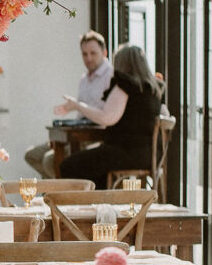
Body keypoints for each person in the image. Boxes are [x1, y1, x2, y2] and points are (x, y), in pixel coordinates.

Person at [56, 43, 162, 187]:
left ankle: (86, 205)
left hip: (125, 152)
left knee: (68, 166)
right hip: (150, 155)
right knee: (97, 166)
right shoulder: (153, 89)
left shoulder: (125, 85)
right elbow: (164, 115)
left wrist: (77, 105)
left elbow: (107, 118)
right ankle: (102, 202)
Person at [25, 30, 113, 178]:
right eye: (84, 54)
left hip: (95, 137)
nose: (89, 58)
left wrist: (77, 106)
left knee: (49, 161)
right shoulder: (84, 79)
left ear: (104, 52)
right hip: (76, 134)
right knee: (32, 155)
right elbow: (81, 114)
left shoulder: (111, 76)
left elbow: (106, 116)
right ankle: (56, 190)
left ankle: (66, 193)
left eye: (93, 53)